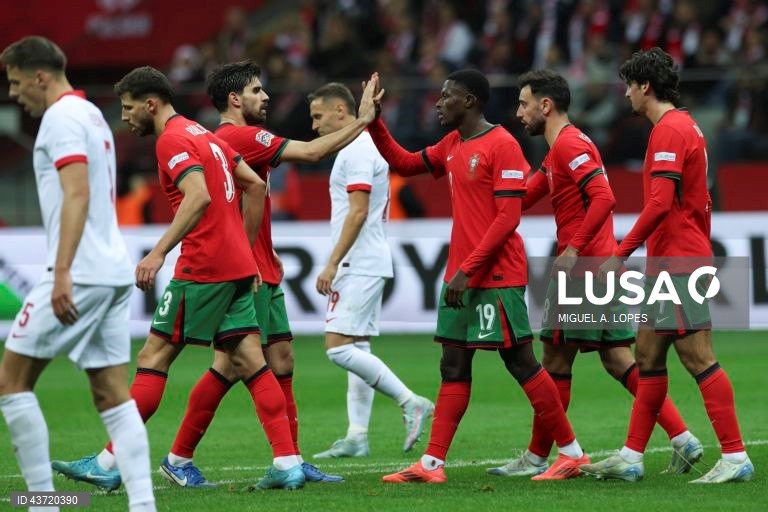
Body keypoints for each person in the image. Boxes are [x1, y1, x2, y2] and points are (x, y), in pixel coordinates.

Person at [52, 66, 306, 491]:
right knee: (251, 361)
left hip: (203, 267)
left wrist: (157, 251)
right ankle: (287, 462)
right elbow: (255, 186)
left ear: (151, 103)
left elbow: (199, 195)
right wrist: (245, 251)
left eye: (129, 108)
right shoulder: (203, 133)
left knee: (153, 358)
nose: (126, 118)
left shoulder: (172, 140)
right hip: (238, 267)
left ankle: (109, 462)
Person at [156, 60, 382, 486]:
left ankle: (291, 460)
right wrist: (365, 119)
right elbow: (313, 151)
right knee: (231, 365)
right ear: (235, 99)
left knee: (280, 359)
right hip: (248, 271)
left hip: (264, 266)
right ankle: (183, 457)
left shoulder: (228, 138)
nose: (266, 97)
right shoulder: (237, 136)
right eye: (258, 90)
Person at [365, 69, 587, 483]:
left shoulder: (502, 144)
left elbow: (507, 217)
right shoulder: (453, 143)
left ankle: (572, 453)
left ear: (469, 101)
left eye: (446, 96)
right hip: (462, 275)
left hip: (496, 273)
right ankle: (432, 465)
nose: (438, 102)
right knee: (452, 365)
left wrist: (468, 269)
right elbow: (404, 162)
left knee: (520, 362)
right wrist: (374, 120)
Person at [487, 69, 702, 478]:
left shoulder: (568, 145)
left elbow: (605, 197)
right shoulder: (562, 149)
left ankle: (544, 456)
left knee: (553, 359)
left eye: (523, 104)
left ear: (545, 106)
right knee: (618, 358)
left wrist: (572, 250)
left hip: (584, 269)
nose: (519, 113)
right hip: (600, 267)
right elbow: (524, 197)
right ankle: (682, 437)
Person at [581, 47, 754, 483]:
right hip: (670, 259)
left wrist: (619, 254)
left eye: (629, 86)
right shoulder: (683, 126)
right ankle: (632, 455)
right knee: (648, 352)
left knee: (698, 357)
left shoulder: (670, 130)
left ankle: (735, 456)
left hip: (680, 260)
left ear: (645, 87)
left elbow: (659, 204)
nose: (625, 95)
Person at [0, 37, 156, 511]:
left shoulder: (61, 118)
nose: (13, 93)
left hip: (80, 271)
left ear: (39, 76)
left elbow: (76, 194)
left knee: (11, 382)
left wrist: (62, 271)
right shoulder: (90, 115)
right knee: (110, 392)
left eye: (14, 81)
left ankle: (43, 503)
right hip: (110, 272)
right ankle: (143, 505)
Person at [309, 82, 435, 459]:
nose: (314, 126)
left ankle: (410, 401)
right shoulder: (358, 148)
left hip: (358, 261)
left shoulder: (359, 150)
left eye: (318, 116)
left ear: (341, 112)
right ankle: (357, 435)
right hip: (367, 258)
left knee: (337, 349)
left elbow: (359, 211)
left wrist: (332, 261)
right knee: (357, 346)